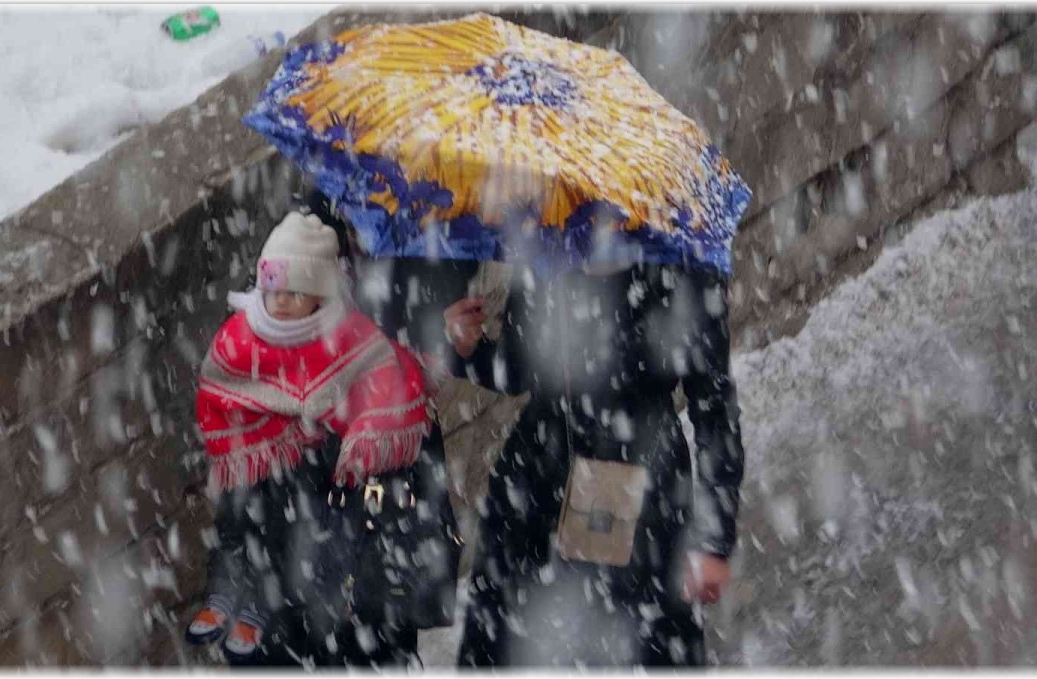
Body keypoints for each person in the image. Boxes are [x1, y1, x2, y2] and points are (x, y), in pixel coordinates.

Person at [445, 255, 746, 667]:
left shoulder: (677, 260)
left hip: (642, 489)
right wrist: (470, 348)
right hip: (537, 484)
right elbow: (520, 369)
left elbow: (714, 407)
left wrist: (713, 537)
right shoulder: (549, 250)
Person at [186, 211, 439, 666]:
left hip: (335, 503)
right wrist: (268, 434)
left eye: (295, 293)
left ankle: (270, 598)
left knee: (293, 539)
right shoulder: (244, 336)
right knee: (240, 512)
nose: (281, 303)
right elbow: (222, 387)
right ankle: (236, 582)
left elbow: (384, 379)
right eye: (274, 290)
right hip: (263, 468)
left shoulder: (351, 335)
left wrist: (338, 434)